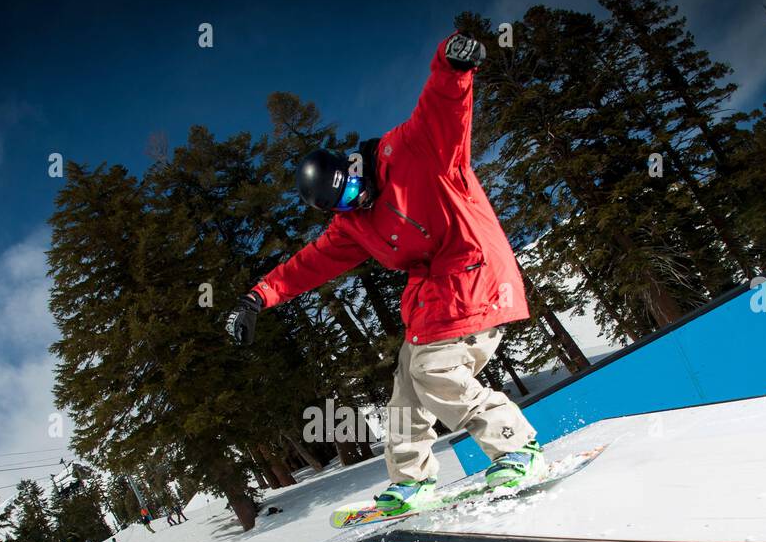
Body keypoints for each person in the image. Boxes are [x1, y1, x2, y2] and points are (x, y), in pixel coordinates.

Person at [224, 32, 543, 515]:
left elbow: (441, 105)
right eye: (345, 206)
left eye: (354, 192)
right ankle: (412, 481)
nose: (359, 203)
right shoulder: (353, 223)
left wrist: (453, 65)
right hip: (434, 298)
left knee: (433, 369)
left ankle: (517, 446)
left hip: (476, 273)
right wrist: (256, 298)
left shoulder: (412, 150)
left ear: (351, 168)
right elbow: (306, 265)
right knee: (405, 391)